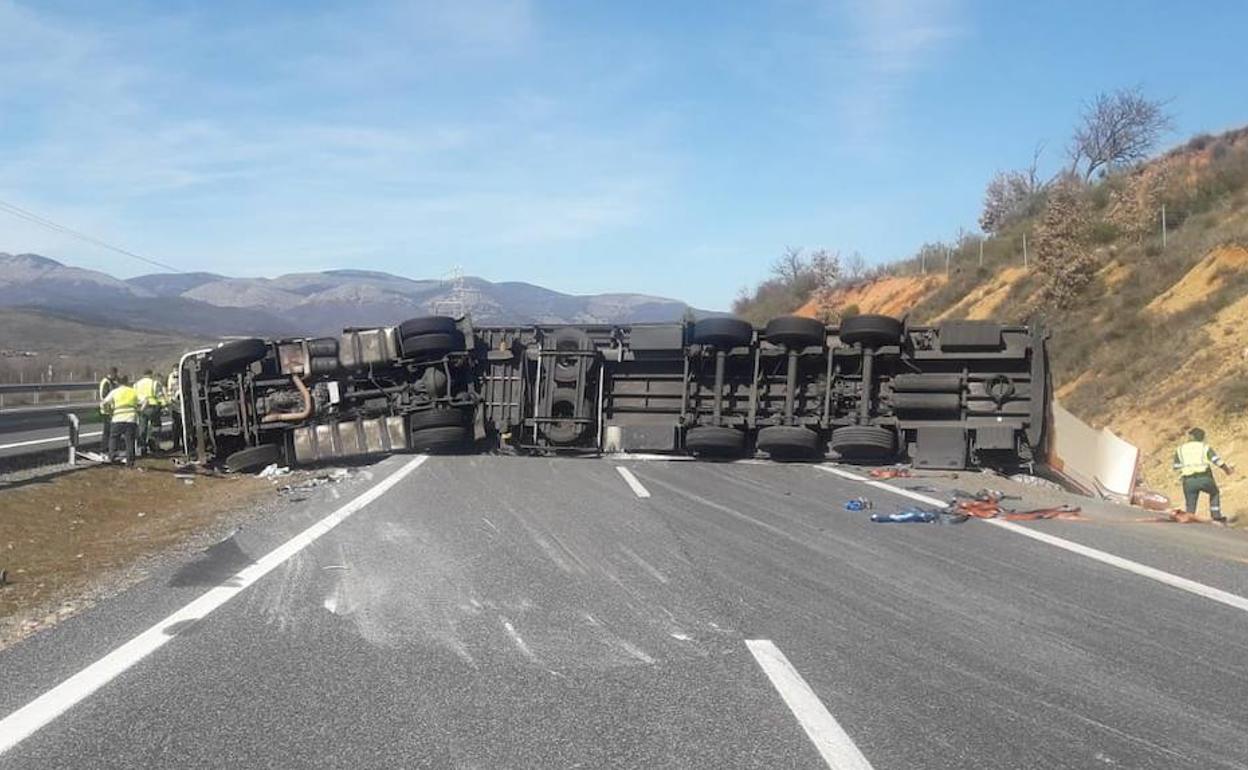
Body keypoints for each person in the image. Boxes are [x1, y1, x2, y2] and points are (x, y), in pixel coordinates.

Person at [1174, 427, 1235, 523]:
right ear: (1202, 437)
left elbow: (1176, 466)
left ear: (1191, 437)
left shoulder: (1180, 449)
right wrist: (1227, 470)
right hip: (1204, 479)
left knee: (1190, 503)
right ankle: (1216, 516)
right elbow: (1217, 461)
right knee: (1214, 493)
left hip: (1188, 481)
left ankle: (1190, 516)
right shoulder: (1205, 447)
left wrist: (1181, 476)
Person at [100, 375, 138, 466]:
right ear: (127, 382)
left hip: (117, 418)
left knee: (113, 438)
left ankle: (112, 457)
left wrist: (107, 412)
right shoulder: (133, 391)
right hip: (131, 419)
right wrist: (139, 410)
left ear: (118, 383)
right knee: (129, 440)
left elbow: (104, 402)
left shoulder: (115, 392)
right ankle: (130, 461)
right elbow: (145, 401)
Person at [133, 369, 165, 455]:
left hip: (141, 408)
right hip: (153, 407)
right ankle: (154, 446)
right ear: (151, 374)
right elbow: (159, 396)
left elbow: (135, 396)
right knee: (155, 427)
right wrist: (164, 404)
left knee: (142, 428)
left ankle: (143, 448)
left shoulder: (136, 384)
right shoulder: (154, 383)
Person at [97, 367, 118, 454]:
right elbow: (104, 397)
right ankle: (104, 449)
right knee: (107, 431)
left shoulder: (111, 382)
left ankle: (110, 449)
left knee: (111, 430)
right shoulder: (106, 382)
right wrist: (109, 409)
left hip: (111, 410)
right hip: (107, 410)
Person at [166, 365, 182, 452]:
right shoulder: (170, 377)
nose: (176, 371)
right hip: (175, 404)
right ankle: (176, 445)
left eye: (177, 369)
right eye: (174, 370)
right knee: (176, 426)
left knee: (184, 426)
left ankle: (186, 444)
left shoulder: (183, 374)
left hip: (183, 404)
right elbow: (169, 389)